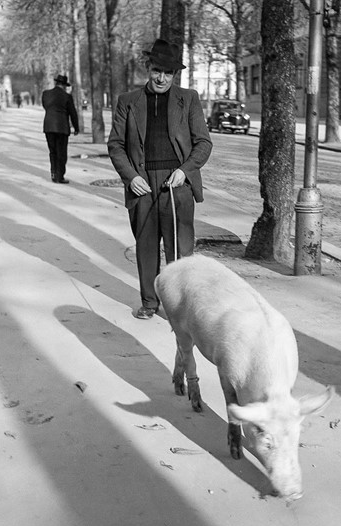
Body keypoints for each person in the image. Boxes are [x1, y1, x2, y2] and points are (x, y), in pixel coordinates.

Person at [107, 39, 213, 320]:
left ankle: (179, 307)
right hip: (142, 185)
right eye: (157, 71)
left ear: (175, 74)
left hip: (177, 183)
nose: (162, 78)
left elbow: (203, 143)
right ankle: (149, 302)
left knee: (180, 250)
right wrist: (130, 177)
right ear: (148, 68)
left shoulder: (188, 99)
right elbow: (115, 145)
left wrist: (185, 170)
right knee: (146, 246)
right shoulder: (127, 102)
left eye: (168, 73)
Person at [42, 74, 79, 184]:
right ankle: (60, 176)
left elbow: (46, 106)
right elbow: (73, 113)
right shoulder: (67, 97)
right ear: (64, 85)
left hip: (48, 126)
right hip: (62, 127)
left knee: (52, 151)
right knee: (61, 152)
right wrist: (76, 127)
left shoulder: (46, 94)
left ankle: (53, 173)